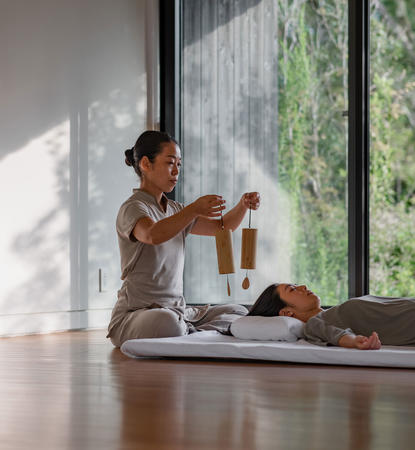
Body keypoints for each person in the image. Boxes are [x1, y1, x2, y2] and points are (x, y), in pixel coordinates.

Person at [107, 130, 260, 347]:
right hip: (138, 314)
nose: (176, 171)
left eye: (179, 164)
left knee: (237, 311)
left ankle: (189, 330)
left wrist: (243, 205)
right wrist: (194, 209)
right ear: (145, 164)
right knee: (166, 322)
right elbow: (152, 234)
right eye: (170, 163)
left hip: (178, 311)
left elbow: (222, 228)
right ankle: (190, 331)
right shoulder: (133, 207)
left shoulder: (174, 209)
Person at [248, 283, 415, 349]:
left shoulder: (332, 312)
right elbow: (338, 336)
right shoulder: (314, 324)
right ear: (286, 313)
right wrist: (357, 342)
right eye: (292, 289)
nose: (303, 286)